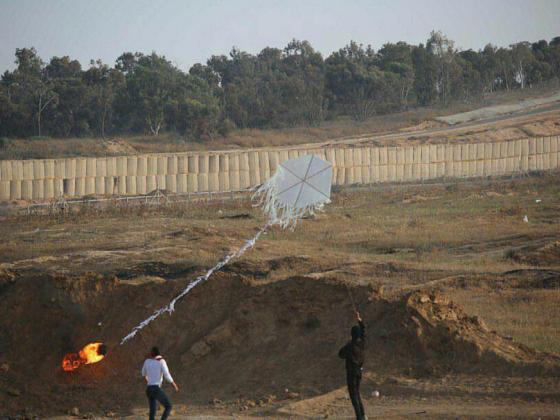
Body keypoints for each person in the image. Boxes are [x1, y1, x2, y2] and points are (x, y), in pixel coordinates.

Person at [338, 311, 366, 420]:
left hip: (352, 372)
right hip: (359, 371)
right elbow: (364, 331)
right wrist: (359, 320)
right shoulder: (362, 343)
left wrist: (347, 343)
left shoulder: (350, 346)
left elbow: (340, 354)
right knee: (357, 393)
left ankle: (360, 417)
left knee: (354, 395)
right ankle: (363, 415)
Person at [141, 346, 180, 420]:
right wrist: (174, 384)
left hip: (149, 389)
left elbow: (143, 374)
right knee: (168, 406)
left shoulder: (147, 361)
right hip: (156, 389)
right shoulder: (161, 361)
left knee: (152, 410)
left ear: (152, 353)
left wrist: (149, 382)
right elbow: (167, 375)